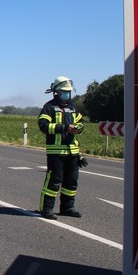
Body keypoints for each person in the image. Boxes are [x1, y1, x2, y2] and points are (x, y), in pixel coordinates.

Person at [38, 76, 85, 220]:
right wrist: (64, 127)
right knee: (53, 181)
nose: (67, 94)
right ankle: (46, 209)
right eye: (64, 91)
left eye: (69, 91)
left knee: (71, 182)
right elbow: (43, 125)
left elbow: (81, 122)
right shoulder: (49, 107)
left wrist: (78, 128)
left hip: (73, 153)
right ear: (57, 91)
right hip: (56, 153)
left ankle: (67, 207)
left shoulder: (72, 107)